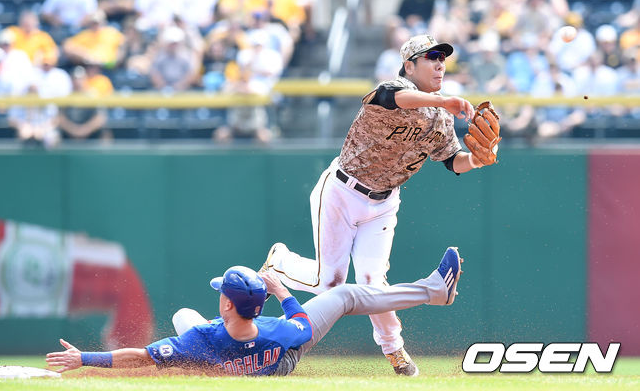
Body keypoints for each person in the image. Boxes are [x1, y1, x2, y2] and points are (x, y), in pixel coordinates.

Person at [259, 34, 493, 376]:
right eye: (431, 57)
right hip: (342, 191)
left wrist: (475, 160)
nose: (439, 64)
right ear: (409, 66)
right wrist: (444, 101)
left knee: (372, 281)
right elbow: (391, 98)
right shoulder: (394, 89)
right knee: (330, 283)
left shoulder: (441, 118)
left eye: (442, 58)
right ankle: (279, 263)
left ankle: (394, 350)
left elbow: (451, 159)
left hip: (384, 202)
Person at [46, 247, 463, 376]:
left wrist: (84, 358)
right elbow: (301, 326)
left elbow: (141, 356)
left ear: (227, 303)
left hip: (223, 357)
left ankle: (198, 368)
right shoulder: (278, 328)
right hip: (281, 356)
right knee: (347, 295)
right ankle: (433, 291)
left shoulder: (201, 339)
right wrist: (284, 293)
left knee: (184, 318)